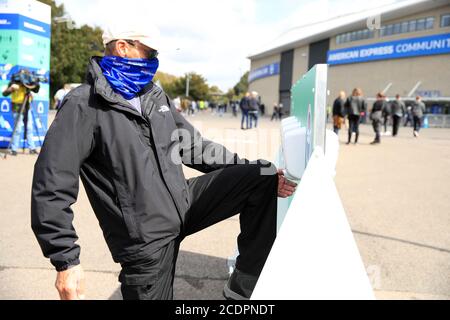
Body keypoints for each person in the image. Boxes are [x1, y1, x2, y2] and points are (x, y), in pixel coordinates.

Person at [31, 24, 298, 301]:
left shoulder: (153, 95)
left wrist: (249, 167)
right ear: (123, 47)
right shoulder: (83, 104)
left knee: (261, 174)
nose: (155, 59)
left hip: (183, 204)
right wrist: (65, 260)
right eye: (150, 52)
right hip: (146, 238)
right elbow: (51, 183)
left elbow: (194, 147)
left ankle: (243, 285)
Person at [2, 70, 40, 156]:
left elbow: (36, 89)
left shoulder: (29, 83)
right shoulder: (14, 82)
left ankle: (32, 148)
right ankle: (14, 149)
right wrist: (11, 88)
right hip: (16, 108)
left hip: (27, 107)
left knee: (29, 128)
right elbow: (4, 93)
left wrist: (33, 86)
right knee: (18, 129)